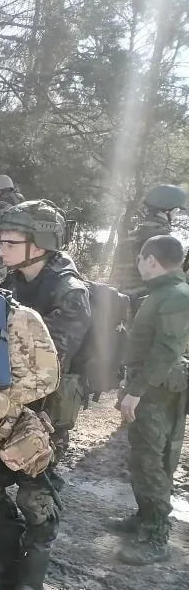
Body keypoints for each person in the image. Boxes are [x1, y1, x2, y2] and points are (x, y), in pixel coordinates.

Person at [0, 200, 90, 590]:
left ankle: (31, 582)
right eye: (1, 241)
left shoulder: (69, 293)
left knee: (36, 495)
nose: (0, 248)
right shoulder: (14, 280)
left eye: (10, 242)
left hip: (45, 413)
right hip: (7, 404)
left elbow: (45, 359)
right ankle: (5, 564)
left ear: (40, 244)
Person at [111, 234, 189, 565]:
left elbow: (167, 350)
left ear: (152, 261)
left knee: (151, 462)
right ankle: (144, 517)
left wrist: (136, 392)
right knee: (142, 456)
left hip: (156, 391)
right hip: (150, 387)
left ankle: (156, 537)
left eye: (141, 259)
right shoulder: (163, 293)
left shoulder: (175, 296)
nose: (138, 264)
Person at [110, 185, 187, 298]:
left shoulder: (130, 237)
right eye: (177, 211)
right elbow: (174, 281)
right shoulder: (165, 241)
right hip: (150, 303)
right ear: (170, 211)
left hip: (122, 301)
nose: (176, 214)